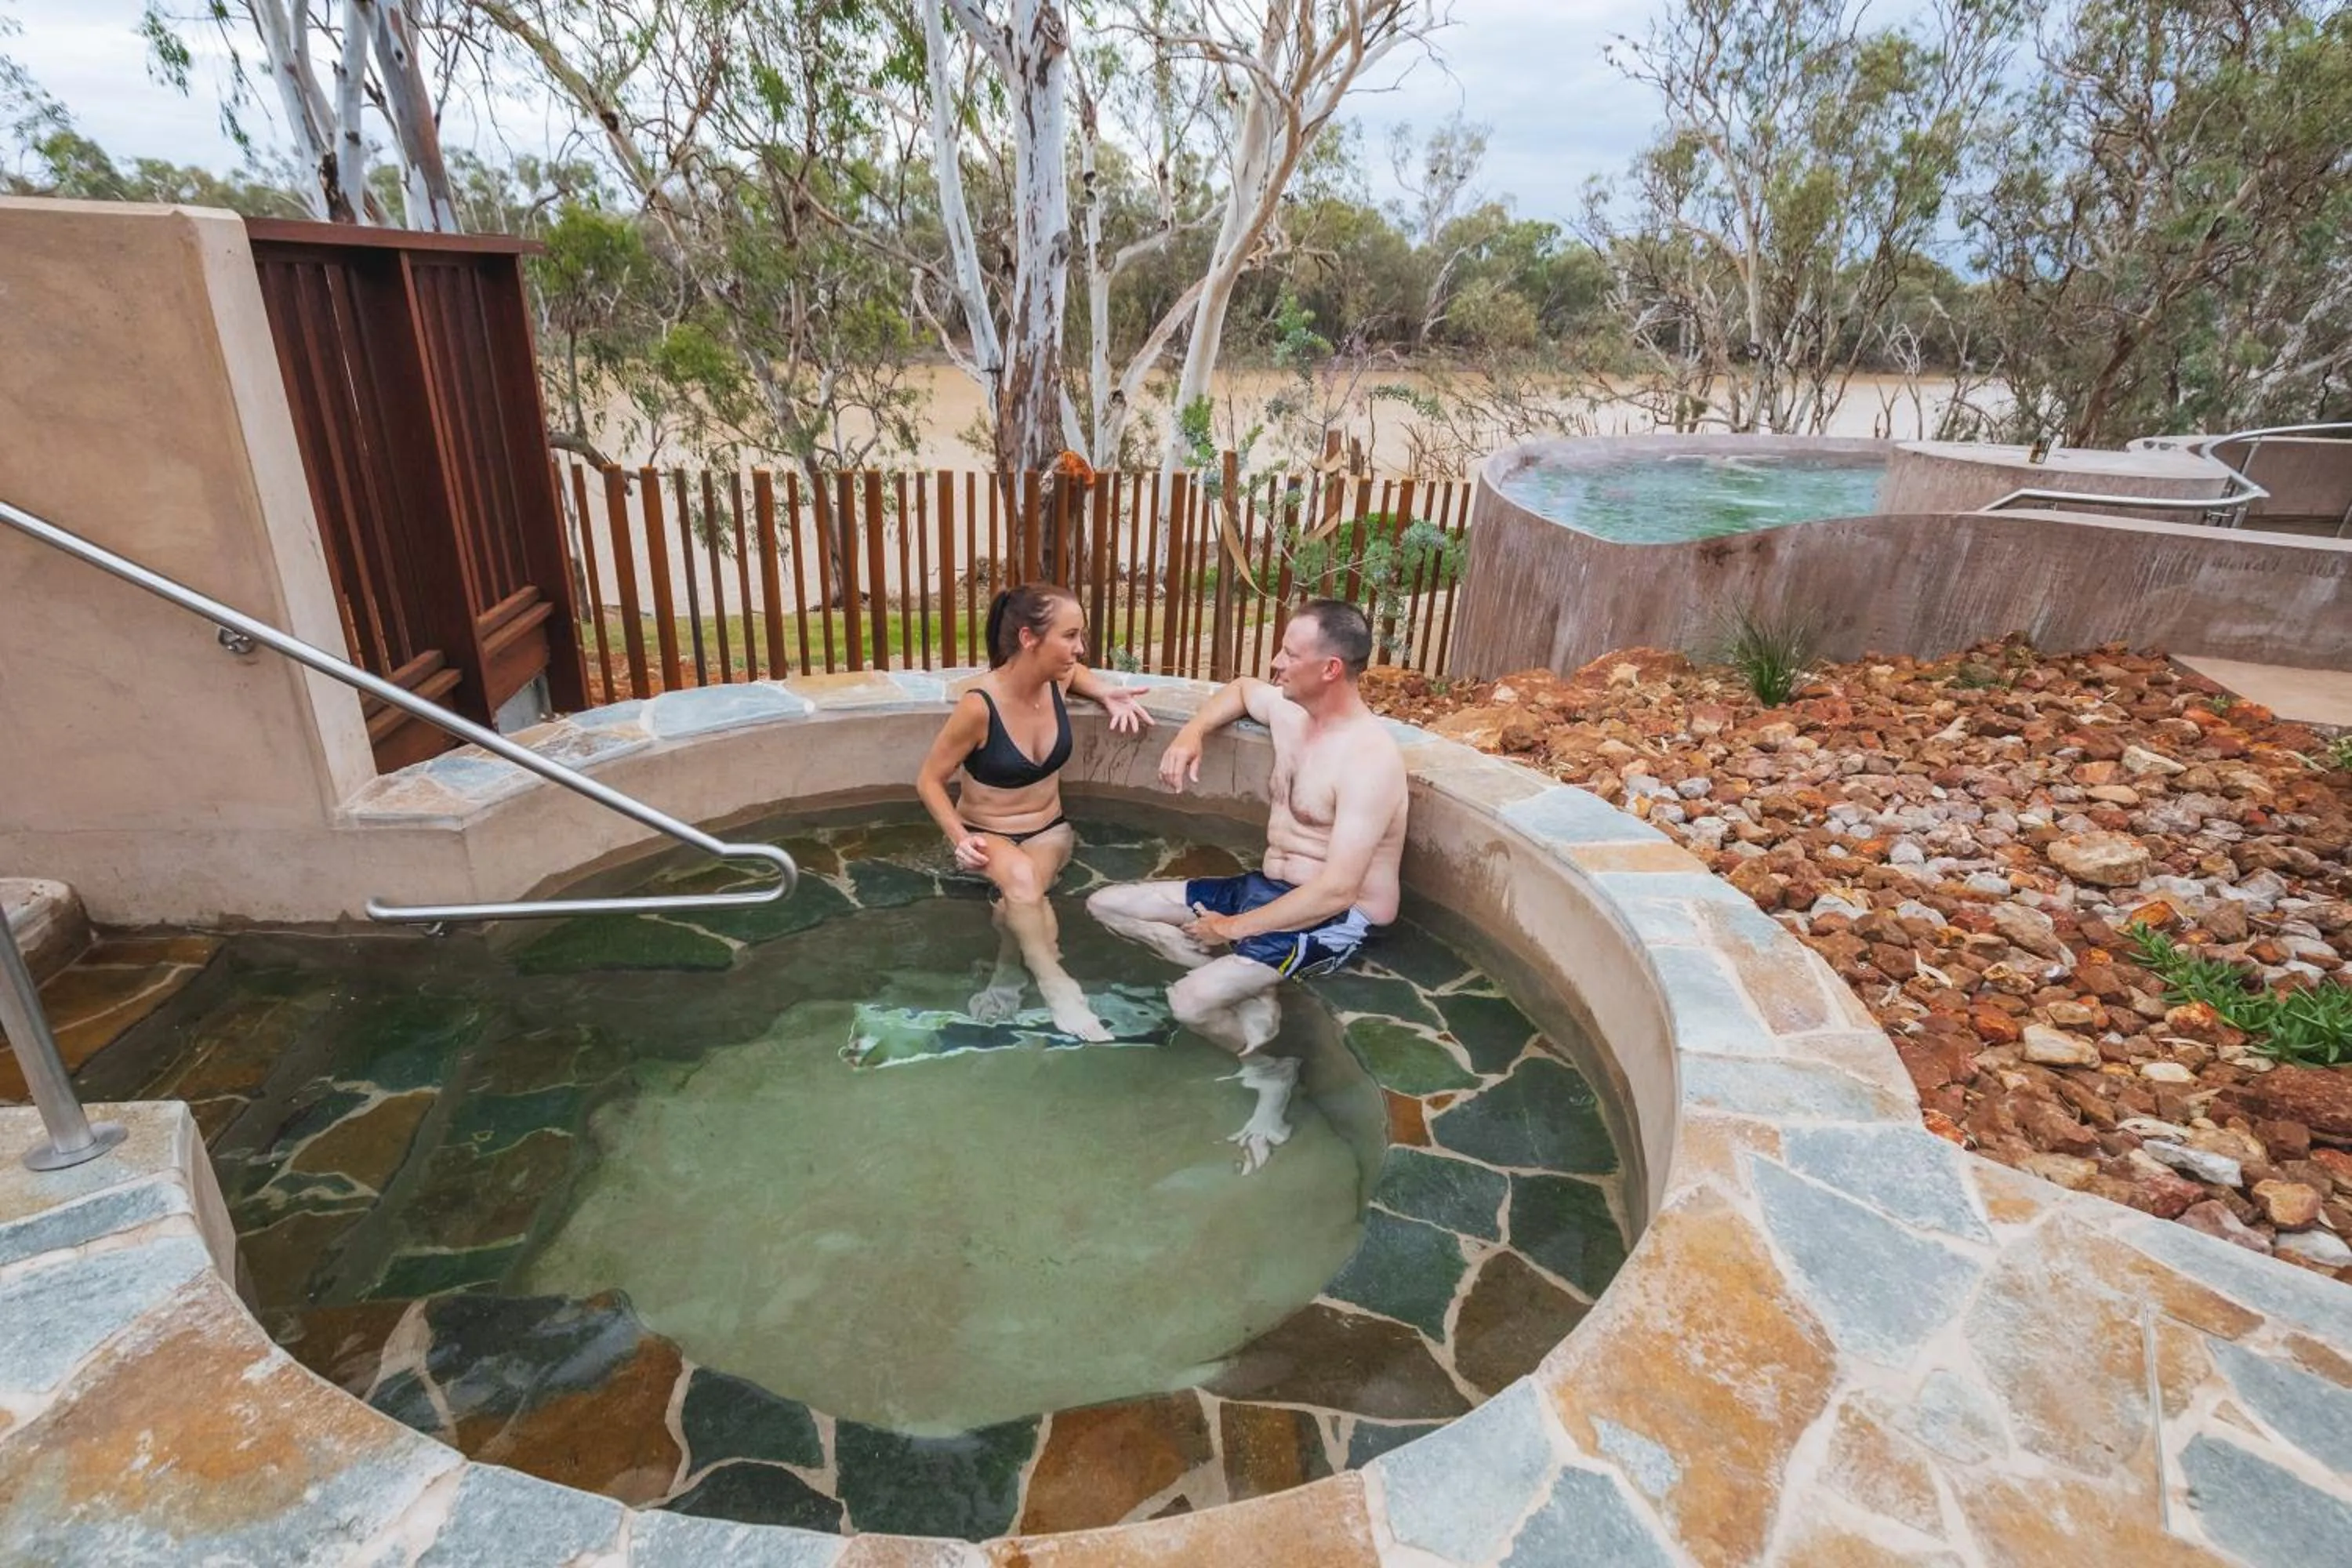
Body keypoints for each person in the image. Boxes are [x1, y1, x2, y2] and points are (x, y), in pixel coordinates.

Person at [1087, 599, 1407, 1171]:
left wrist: (1230, 930)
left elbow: (1337, 890)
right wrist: (1190, 732)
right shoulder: (1292, 715)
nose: (1277, 663)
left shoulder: (1369, 760)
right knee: (1107, 904)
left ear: (1330, 669)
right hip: (1267, 888)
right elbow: (1239, 688)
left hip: (1334, 919)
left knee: (1189, 1002)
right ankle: (1248, 980)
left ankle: (1268, 1069)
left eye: (1290, 653)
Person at [916, 582, 1154, 1040]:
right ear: (1029, 639)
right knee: (1023, 884)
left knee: (1017, 906)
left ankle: (1008, 972)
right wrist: (960, 839)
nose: (1079, 648)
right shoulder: (979, 706)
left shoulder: (1057, 680)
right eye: (1070, 636)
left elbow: (1078, 673)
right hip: (990, 837)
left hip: (1050, 833)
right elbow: (928, 779)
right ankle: (1056, 983)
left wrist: (1105, 692)